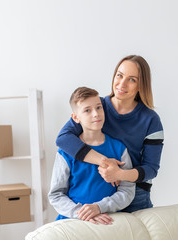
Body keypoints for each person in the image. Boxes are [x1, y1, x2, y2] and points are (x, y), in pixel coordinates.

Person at [56, 55, 164, 212]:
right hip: (97, 189)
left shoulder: (151, 120)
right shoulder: (96, 107)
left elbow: (151, 168)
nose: (122, 84)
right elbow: (63, 139)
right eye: (119, 75)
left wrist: (120, 174)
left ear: (141, 85)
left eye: (132, 79)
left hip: (134, 193)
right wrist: (105, 162)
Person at [48, 87, 135, 225]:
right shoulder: (65, 152)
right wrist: (83, 213)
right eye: (87, 110)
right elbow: (56, 195)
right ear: (76, 117)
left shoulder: (119, 149)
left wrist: (99, 207)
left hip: (108, 221)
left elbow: (127, 191)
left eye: (99, 107)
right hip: (72, 221)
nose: (96, 114)